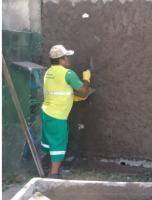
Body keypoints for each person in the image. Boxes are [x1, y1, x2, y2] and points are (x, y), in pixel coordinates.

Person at [40, 44, 91, 178]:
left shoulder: (48, 72)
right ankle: (54, 174)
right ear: (61, 60)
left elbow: (57, 89)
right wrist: (86, 79)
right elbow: (84, 93)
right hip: (58, 116)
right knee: (58, 143)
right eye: (67, 57)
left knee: (49, 141)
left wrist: (70, 96)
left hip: (46, 112)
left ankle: (43, 166)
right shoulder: (68, 74)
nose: (69, 59)